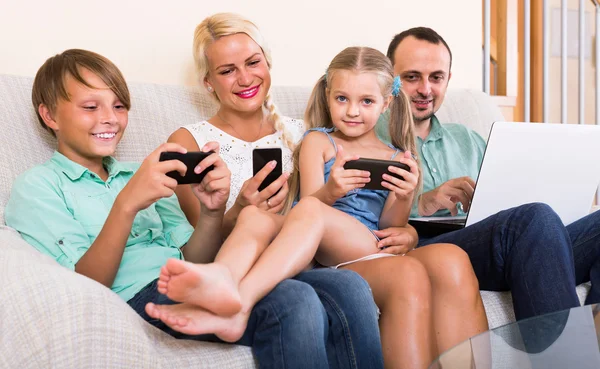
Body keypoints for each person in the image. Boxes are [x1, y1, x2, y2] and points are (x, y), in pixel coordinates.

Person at [4, 49, 384, 369]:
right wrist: (126, 205)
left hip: (194, 276)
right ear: (50, 116)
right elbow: (84, 284)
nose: (110, 118)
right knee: (294, 300)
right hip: (140, 291)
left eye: (119, 106)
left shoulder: (141, 173)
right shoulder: (38, 187)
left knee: (346, 285)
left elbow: (195, 256)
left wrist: (213, 212)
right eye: (91, 106)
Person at [164, 14, 488, 367]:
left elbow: (388, 221)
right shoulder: (315, 138)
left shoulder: (302, 130)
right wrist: (241, 206)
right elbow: (306, 205)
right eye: (227, 70)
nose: (244, 77)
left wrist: (408, 220)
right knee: (263, 215)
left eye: (253, 62)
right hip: (309, 243)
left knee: (453, 258)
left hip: (348, 237)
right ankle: (225, 292)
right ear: (208, 81)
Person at [377, 26, 600, 321]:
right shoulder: (371, 138)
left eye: (436, 77)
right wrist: (423, 202)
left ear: (448, 80)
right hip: (427, 248)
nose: (426, 89)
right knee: (535, 219)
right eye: (412, 77)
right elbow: (359, 218)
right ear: (389, 79)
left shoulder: (468, 138)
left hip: (509, 243)